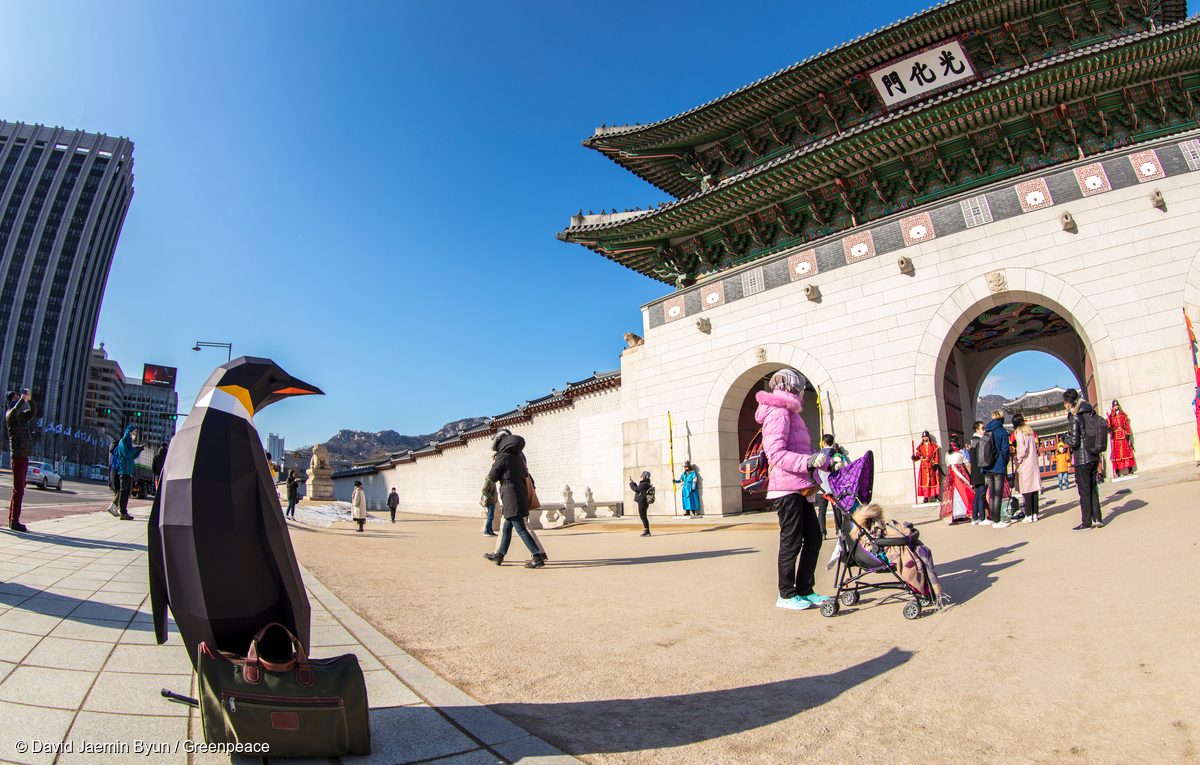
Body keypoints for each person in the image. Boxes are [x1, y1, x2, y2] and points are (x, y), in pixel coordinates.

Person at [755, 368, 829, 611]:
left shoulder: (791, 412)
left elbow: (800, 450)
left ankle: (805, 589)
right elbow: (775, 453)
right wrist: (807, 463)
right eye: (798, 388)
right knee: (792, 540)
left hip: (798, 485)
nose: (801, 393)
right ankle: (786, 594)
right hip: (785, 488)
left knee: (814, 538)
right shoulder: (778, 412)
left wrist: (825, 460)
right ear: (788, 388)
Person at [484, 431, 545, 568]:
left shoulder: (502, 456)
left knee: (521, 528)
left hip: (510, 495)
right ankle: (499, 555)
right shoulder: (518, 456)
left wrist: (495, 463)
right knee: (506, 527)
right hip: (519, 493)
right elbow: (525, 474)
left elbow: (493, 477)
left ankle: (537, 556)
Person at [1063, 388, 1103, 530]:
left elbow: (1075, 442)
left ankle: (1086, 522)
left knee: (1084, 491)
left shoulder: (1075, 415)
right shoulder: (1089, 410)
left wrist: (1065, 437)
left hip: (1082, 458)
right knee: (1093, 488)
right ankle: (1097, 518)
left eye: (1065, 402)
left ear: (1069, 402)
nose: (1064, 405)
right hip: (1093, 455)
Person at [5, 389, 34, 532]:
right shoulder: (10, 415)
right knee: (18, 490)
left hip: (24, 455)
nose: (18, 400)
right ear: (11, 402)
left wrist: (30, 399)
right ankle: (14, 521)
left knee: (19, 489)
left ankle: (13, 520)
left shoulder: (22, 417)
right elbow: (16, 411)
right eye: (15, 399)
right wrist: (22, 400)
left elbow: (33, 412)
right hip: (17, 455)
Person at [982, 410, 1011, 528]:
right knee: (998, 494)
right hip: (998, 465)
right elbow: (1005, 450)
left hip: (987, 466)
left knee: (992, 494)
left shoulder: (987, 431)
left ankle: (993, 518)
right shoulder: (1002, 431)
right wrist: (1005, 462)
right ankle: (997, 520)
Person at [108, 425, 142, 521]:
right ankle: (123, 512)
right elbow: (126, 454)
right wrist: (136, 449)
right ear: (129, 432)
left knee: (126, 493)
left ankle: (124, 511)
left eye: (135, 433)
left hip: (129, 471)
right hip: (124, 470)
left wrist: (138, 450)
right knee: (124, 492)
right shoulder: (123, 442)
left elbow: (132, 456)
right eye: (133, 433)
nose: (134, 435)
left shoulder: (129, 443)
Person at [1012, 414, 1042, 523]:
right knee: (1034, 489)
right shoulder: (1029, 431)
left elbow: (1022, 449)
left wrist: (1018, 459)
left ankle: (1028, 514)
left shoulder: (1019, 433)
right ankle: (1035, 513)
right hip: (1033, 463)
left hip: (1025, 464)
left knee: (1026, 490)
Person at [940, 433, 974, 524]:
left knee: (955, 493)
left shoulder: (948, 453)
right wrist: (970, 476)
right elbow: (967, 464)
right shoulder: (962, 451)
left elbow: (948, 464)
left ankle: (956, 514)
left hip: (952, 474)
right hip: (959, 473)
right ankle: (964, 513)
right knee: (964, 491)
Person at [967, 421, 989, 525]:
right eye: (982, 428)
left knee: (977, 495)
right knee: (981, 495)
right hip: (981, 471)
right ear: (977, 430)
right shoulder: (979, 441)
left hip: (975, 472)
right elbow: (982, 458)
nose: (984, 430)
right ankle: (982, 518)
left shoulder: (973, 441)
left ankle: (974, 517)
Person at [1107, 400, 1137, 477]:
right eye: (1114, 406)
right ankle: (1117, 471)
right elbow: (1109, 427)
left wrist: (1128, 434)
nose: (1116, 407)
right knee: (1117, 453)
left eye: (1117, 405)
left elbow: (1127, 425)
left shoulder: (1123, 415)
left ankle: (1130, 469)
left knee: (1126, 451)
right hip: (1116, 436)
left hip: (1123, 435)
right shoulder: (1111, 417)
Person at [911, 430, 942, 503]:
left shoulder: (934, 446)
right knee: (924, 481)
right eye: (923, 437)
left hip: (931, 464)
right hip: (924, 466)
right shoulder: (920, 447)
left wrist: (936, 464)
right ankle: (925, 497)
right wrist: (914, 458)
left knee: (933, 480)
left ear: (928, 437)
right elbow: (918, 456)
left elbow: (936, 455)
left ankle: (936, 496)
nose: (925, 438)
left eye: (926, 436)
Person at [629, 471, 653, 536]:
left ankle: (647, 531)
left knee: (643, 517)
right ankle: (646, 531)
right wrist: (633, 483)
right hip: (642, 501)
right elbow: (639, 489)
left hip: (642, 502)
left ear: (644, 477)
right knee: (643, 516)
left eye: (641, 476)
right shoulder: (645, 483)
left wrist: (631, 484)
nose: (640, 477)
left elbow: (636, 489)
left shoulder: (644, 484)